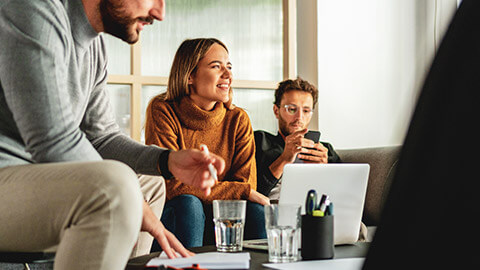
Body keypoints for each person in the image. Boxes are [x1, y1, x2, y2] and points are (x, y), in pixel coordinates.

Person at [0, 1, 225, 269]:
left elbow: (102, 137)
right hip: (8, 175)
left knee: (150, 184)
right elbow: (53, 139)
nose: (160, 13)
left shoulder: (94, 47)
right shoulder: (30, 9)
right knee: (117, 188)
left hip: (35, 179)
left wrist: (167, 161)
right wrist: (133, 202)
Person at [145, 38, 270, 248]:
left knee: (255, 211)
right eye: (216, 66)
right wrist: (237, 191)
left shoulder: (238, 119)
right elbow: (171, 185)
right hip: (179, 215)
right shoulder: (163, 109)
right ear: (190, 75)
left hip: (223, 220)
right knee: (189, 204)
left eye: (229, 67)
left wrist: (238, 192)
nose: (228, 75)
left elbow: (245, 186)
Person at [254, 77, 341, 201]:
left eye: (306, 111)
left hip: (315, 214)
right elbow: (251, 192)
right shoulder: (260, 141)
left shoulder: (325, 151)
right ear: (276, 111)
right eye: (292, 109)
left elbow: (343, 196)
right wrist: (284, 159)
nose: (299, 117)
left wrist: (325, 171)